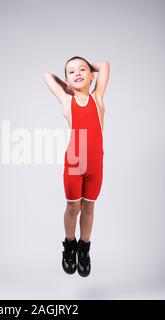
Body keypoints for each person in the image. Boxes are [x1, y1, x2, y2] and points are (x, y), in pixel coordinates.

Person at [44, 56, 110, 277]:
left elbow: (105, 65)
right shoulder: (66, 101)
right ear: (67, 80)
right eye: (71, 72)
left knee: (89, 208)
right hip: (75, 161)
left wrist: (88, 69)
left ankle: (84, 248)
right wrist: (68, 86)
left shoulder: (97, 98)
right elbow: (47, 76)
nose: (78, 73)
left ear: (92, 76)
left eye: (83, 70)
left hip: (95, 164)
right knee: (74, 207)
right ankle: (69, 245)